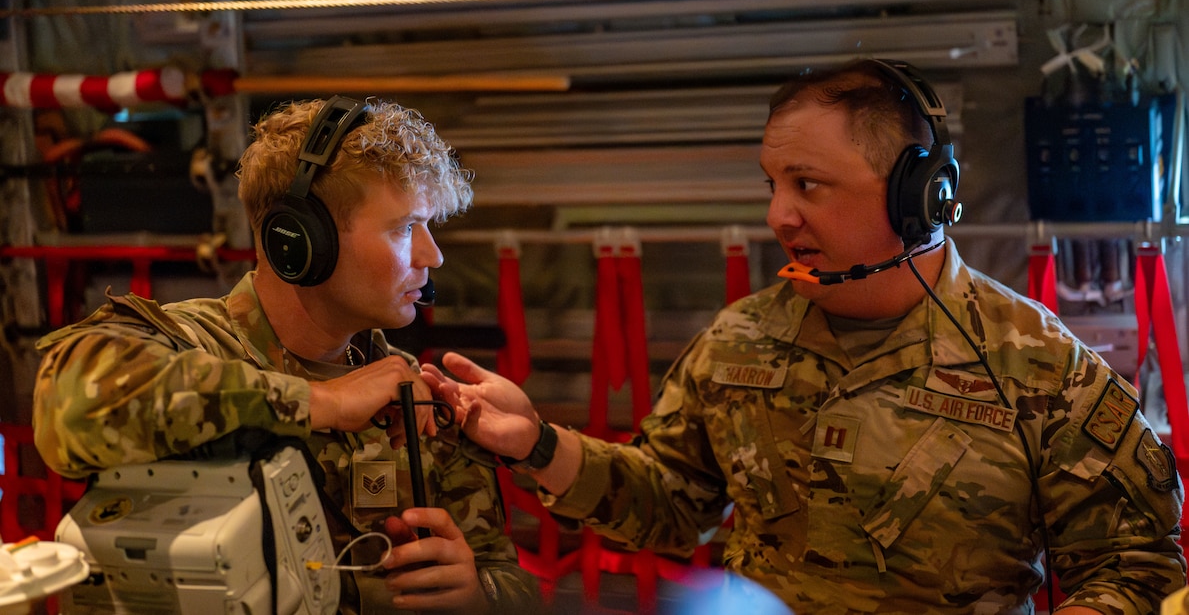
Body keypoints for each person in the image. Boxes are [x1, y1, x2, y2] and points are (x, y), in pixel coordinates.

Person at [422, 59, 1188, 614]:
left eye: (807, 185)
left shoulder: (1039, 364)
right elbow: (674, 505)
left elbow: (1134, 564)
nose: (777, 216)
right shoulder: (742, 338)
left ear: (917, 195)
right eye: (772, 184)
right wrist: (538, 445)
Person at [32, 96, 540, 614]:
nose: (433, 255)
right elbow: (71, 406)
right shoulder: (192, 346)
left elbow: (514, 585)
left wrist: (478, 595)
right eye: (405, 228)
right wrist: (318, 401)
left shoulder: (416, 398)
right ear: (297, 241)